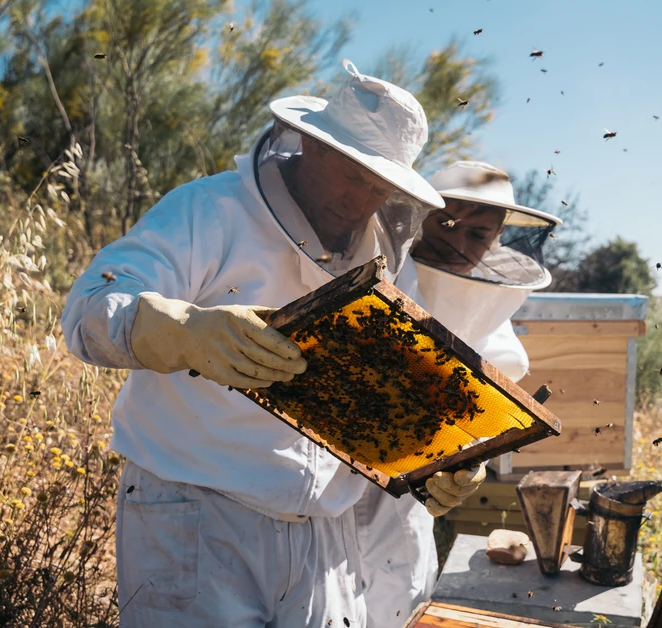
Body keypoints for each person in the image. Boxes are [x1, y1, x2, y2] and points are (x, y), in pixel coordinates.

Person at [61, 60, 487, 627]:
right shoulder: (210, 210)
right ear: (311, 145)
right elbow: (90, 305)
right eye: (350, 172)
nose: (360, 199)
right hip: (195, 510)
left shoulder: (384, 257)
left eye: (378, 185)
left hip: (326, 533)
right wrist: (183, 331)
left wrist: (439, 459)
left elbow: (398, 384)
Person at [354, 161, 561, 626]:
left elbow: (477, 413)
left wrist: (470, 459)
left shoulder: (492, 321)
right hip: (318, 498)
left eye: (477, 235)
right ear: (419, 214)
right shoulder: (368, 263)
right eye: (448, 223)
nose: (457, 241)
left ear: (496, 241)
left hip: (402, 512)